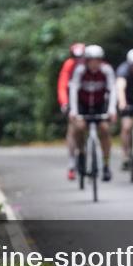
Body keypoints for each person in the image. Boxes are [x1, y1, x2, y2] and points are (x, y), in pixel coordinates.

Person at [68, 45, 118, 181]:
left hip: (100, 105)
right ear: (87, 61)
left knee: (105, 129)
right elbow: (73, 90)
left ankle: (106, 165)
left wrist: (112, 109)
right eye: (91, 61)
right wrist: (73, 110)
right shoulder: (80, 71)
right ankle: (82, 154)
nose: (94, 64)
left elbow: (113, 90)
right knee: (79, 127)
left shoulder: (106, 70)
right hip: (82, 105)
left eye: (97, 61)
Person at [57, 42, 85, 180]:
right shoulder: (69, 65)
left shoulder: (90, 65)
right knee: (73, 129)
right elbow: (62, 86)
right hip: (73, 101)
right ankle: (72, 163)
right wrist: (65, 103)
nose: (79, 60)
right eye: (76, 57)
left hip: (88, 99)